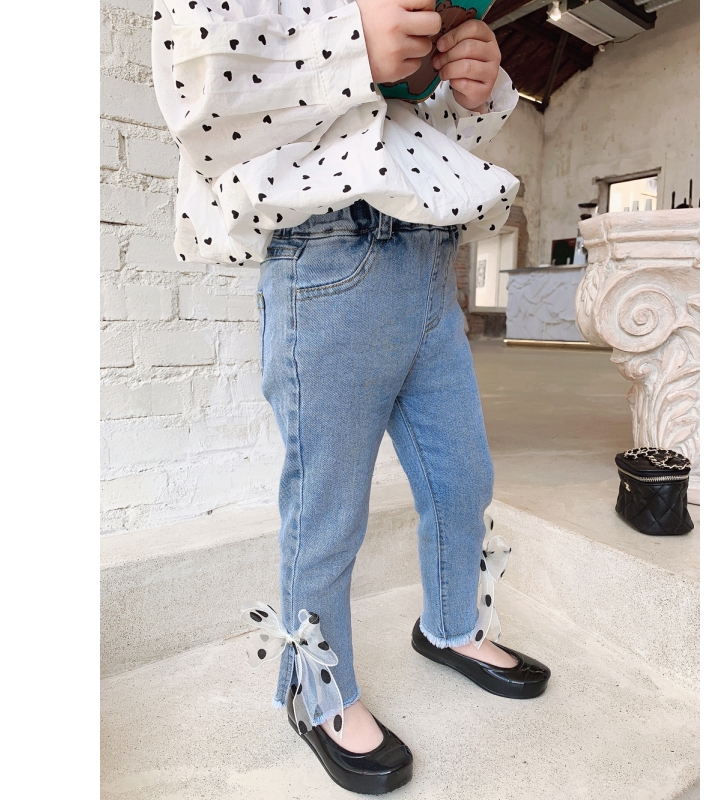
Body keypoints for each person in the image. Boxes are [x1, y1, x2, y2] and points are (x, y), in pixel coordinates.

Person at [151, 0, 551, 793]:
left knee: (462, 474)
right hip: (327, 257)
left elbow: (399, 138)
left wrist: (467, 90)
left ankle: (451, 625)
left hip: (428, 257)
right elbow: (198, 85)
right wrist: (350, 41)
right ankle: (317, 690)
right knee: (328, 508)